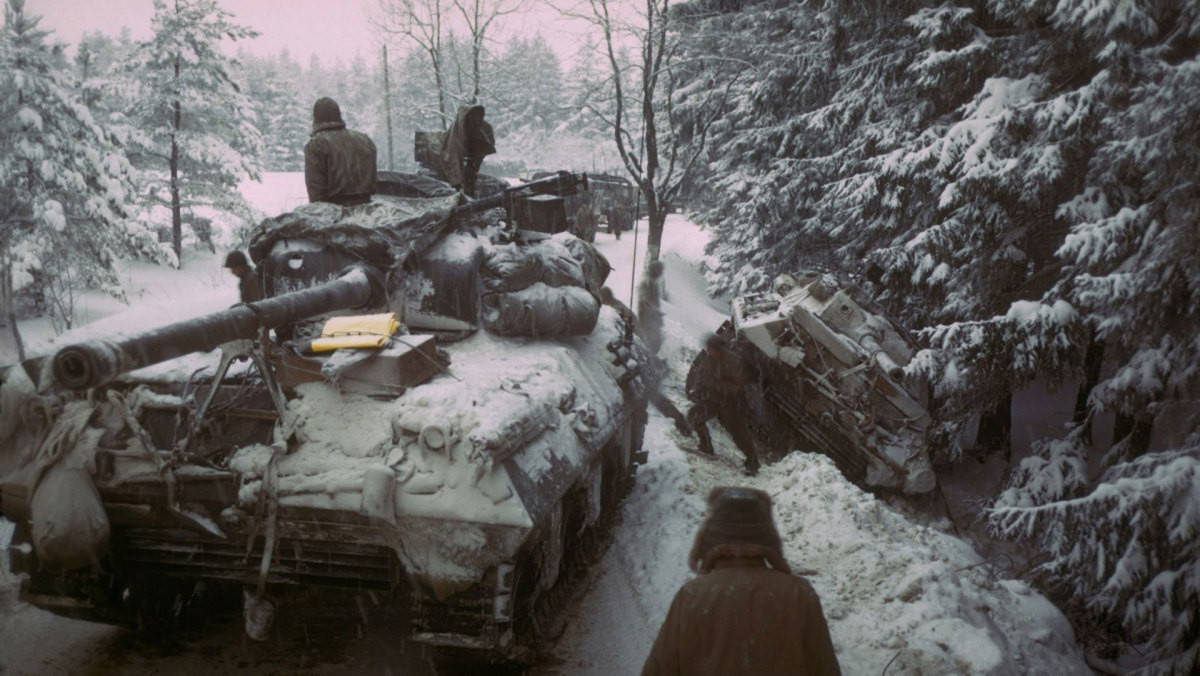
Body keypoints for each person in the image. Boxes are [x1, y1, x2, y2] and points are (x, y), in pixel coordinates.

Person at [642, 486, 841, 676]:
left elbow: (661, 669)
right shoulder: (799, 594)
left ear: (712, 539)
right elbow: (825, 669)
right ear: (766, 538)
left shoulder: (692, 596)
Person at [685, 332, 761, 475]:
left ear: (718, 349)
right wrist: (698, 389)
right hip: (713, 401)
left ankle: (753, 462)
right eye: (708, 347)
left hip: (731, 404)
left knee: (739, 434)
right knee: (695, 416)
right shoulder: (709, 359)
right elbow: (701, 375)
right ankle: (706, 446)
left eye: (711, 348)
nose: (708, 350)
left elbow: (737, 386)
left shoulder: (732, 361)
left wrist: (715, 385)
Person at [304, 97, 377, 206]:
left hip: (335, 213)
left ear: (316, 118)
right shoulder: (364, 139)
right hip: (367, 212)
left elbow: (316, 191)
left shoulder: (317, 144)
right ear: (338, 115)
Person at [636, 260, 667, 354]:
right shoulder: (645, 282)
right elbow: (644, 301)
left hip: (652, 317)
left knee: (656, 341)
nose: (661, 274)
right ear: (655, 272)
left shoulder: (653, 282)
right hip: (646, 317)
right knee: (650, 341)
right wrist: (655, 311)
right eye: (660, 272)